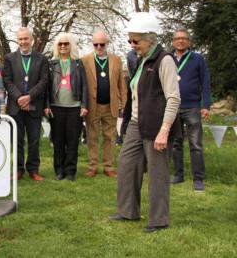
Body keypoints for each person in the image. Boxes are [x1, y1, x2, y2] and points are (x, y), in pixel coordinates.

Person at [109, 12, 181, 233]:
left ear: (150, 39)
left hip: (158, 126)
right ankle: (128, 211)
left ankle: (158, 220)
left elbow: (174, 97)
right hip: (135, 124)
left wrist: (164, 131)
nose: (132, 45)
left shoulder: (165, 60)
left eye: (135, 40)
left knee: (158, 175)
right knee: (127, 165)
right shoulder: (141, 60)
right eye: (130, 40)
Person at [3, 27, 49, 181]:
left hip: (34, 104)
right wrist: (19, 97)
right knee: (17, 140)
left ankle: (33, 170)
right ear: (17, 40)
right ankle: (18, 170)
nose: (23, 42)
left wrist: (29, 96)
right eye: (20, 39)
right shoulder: (9, 58)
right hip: (15, 106)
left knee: (34, 140)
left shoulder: (42, 59)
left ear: (31, 40)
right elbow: (7, 80)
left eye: (26, 39)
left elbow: (44, 81)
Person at [81, 30, 127, 178]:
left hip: (110, 105)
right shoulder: (85, 60)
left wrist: (124, 104)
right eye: (96, 44)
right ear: (92, 44)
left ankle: (108, 167)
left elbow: (122, 84)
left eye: (102, 44)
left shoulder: (116, 60)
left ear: (107, 43)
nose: (99, 47)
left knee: (110, 137)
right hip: (93, 106)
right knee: (92, 137)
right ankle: (93, 166)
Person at [170, 28, 211, 192]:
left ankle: (198, 178)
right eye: (177, 38)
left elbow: (205, 82)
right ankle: (178, 175)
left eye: (184, 38)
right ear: (173, 41)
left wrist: (206, 105)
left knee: (195, 144)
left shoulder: (198, 59)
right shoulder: (168, 58)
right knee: (175, 143)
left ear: (189, 41)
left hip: (192, 106)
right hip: (173, 107)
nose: (180, 41)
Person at [45, 33, 88, 181]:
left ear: (71, 46)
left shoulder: (78, 64)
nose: (63, 46)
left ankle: (70, 172)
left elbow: (84, 86)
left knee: (72, 142)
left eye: (66, 44)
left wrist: (84, 105)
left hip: (74, 108)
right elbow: (46, 87)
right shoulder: (51, 64)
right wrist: (46, 105)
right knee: (58, 141)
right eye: (60, 44)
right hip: (56, 107)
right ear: (57, 46)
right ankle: (59, 171)